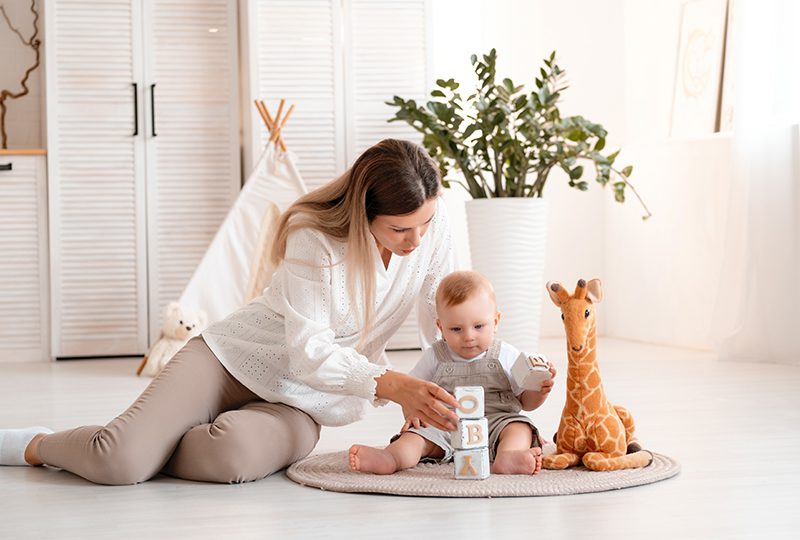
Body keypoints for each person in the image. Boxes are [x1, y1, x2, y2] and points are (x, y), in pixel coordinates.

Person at [0, 139, 462, 485]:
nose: (416, 241)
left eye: (424, 223)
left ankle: (149, 441)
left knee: (232, 460)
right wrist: (394, 384)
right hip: (228, 362)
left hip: (303, 400)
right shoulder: (315, 238)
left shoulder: (431, 229)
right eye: (400, 229)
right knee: (116, 462)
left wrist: (441, 398)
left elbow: (440, 322)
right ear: (363, 213)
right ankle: (38, 444)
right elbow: (308, 351)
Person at [348, 270, 557, 476]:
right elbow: (411, 391)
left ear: (495, 321)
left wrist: (539, 391)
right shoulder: (435, 356)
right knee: (416, 437)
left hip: (497, 421)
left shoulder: (507, 354)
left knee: (519, 427)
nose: (468, 337)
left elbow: (526, 403)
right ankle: (391, 458)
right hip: (445, 423)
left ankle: (509, 456)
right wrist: (413, 414)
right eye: (456, 329)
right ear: (441, 327)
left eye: (478, 326)